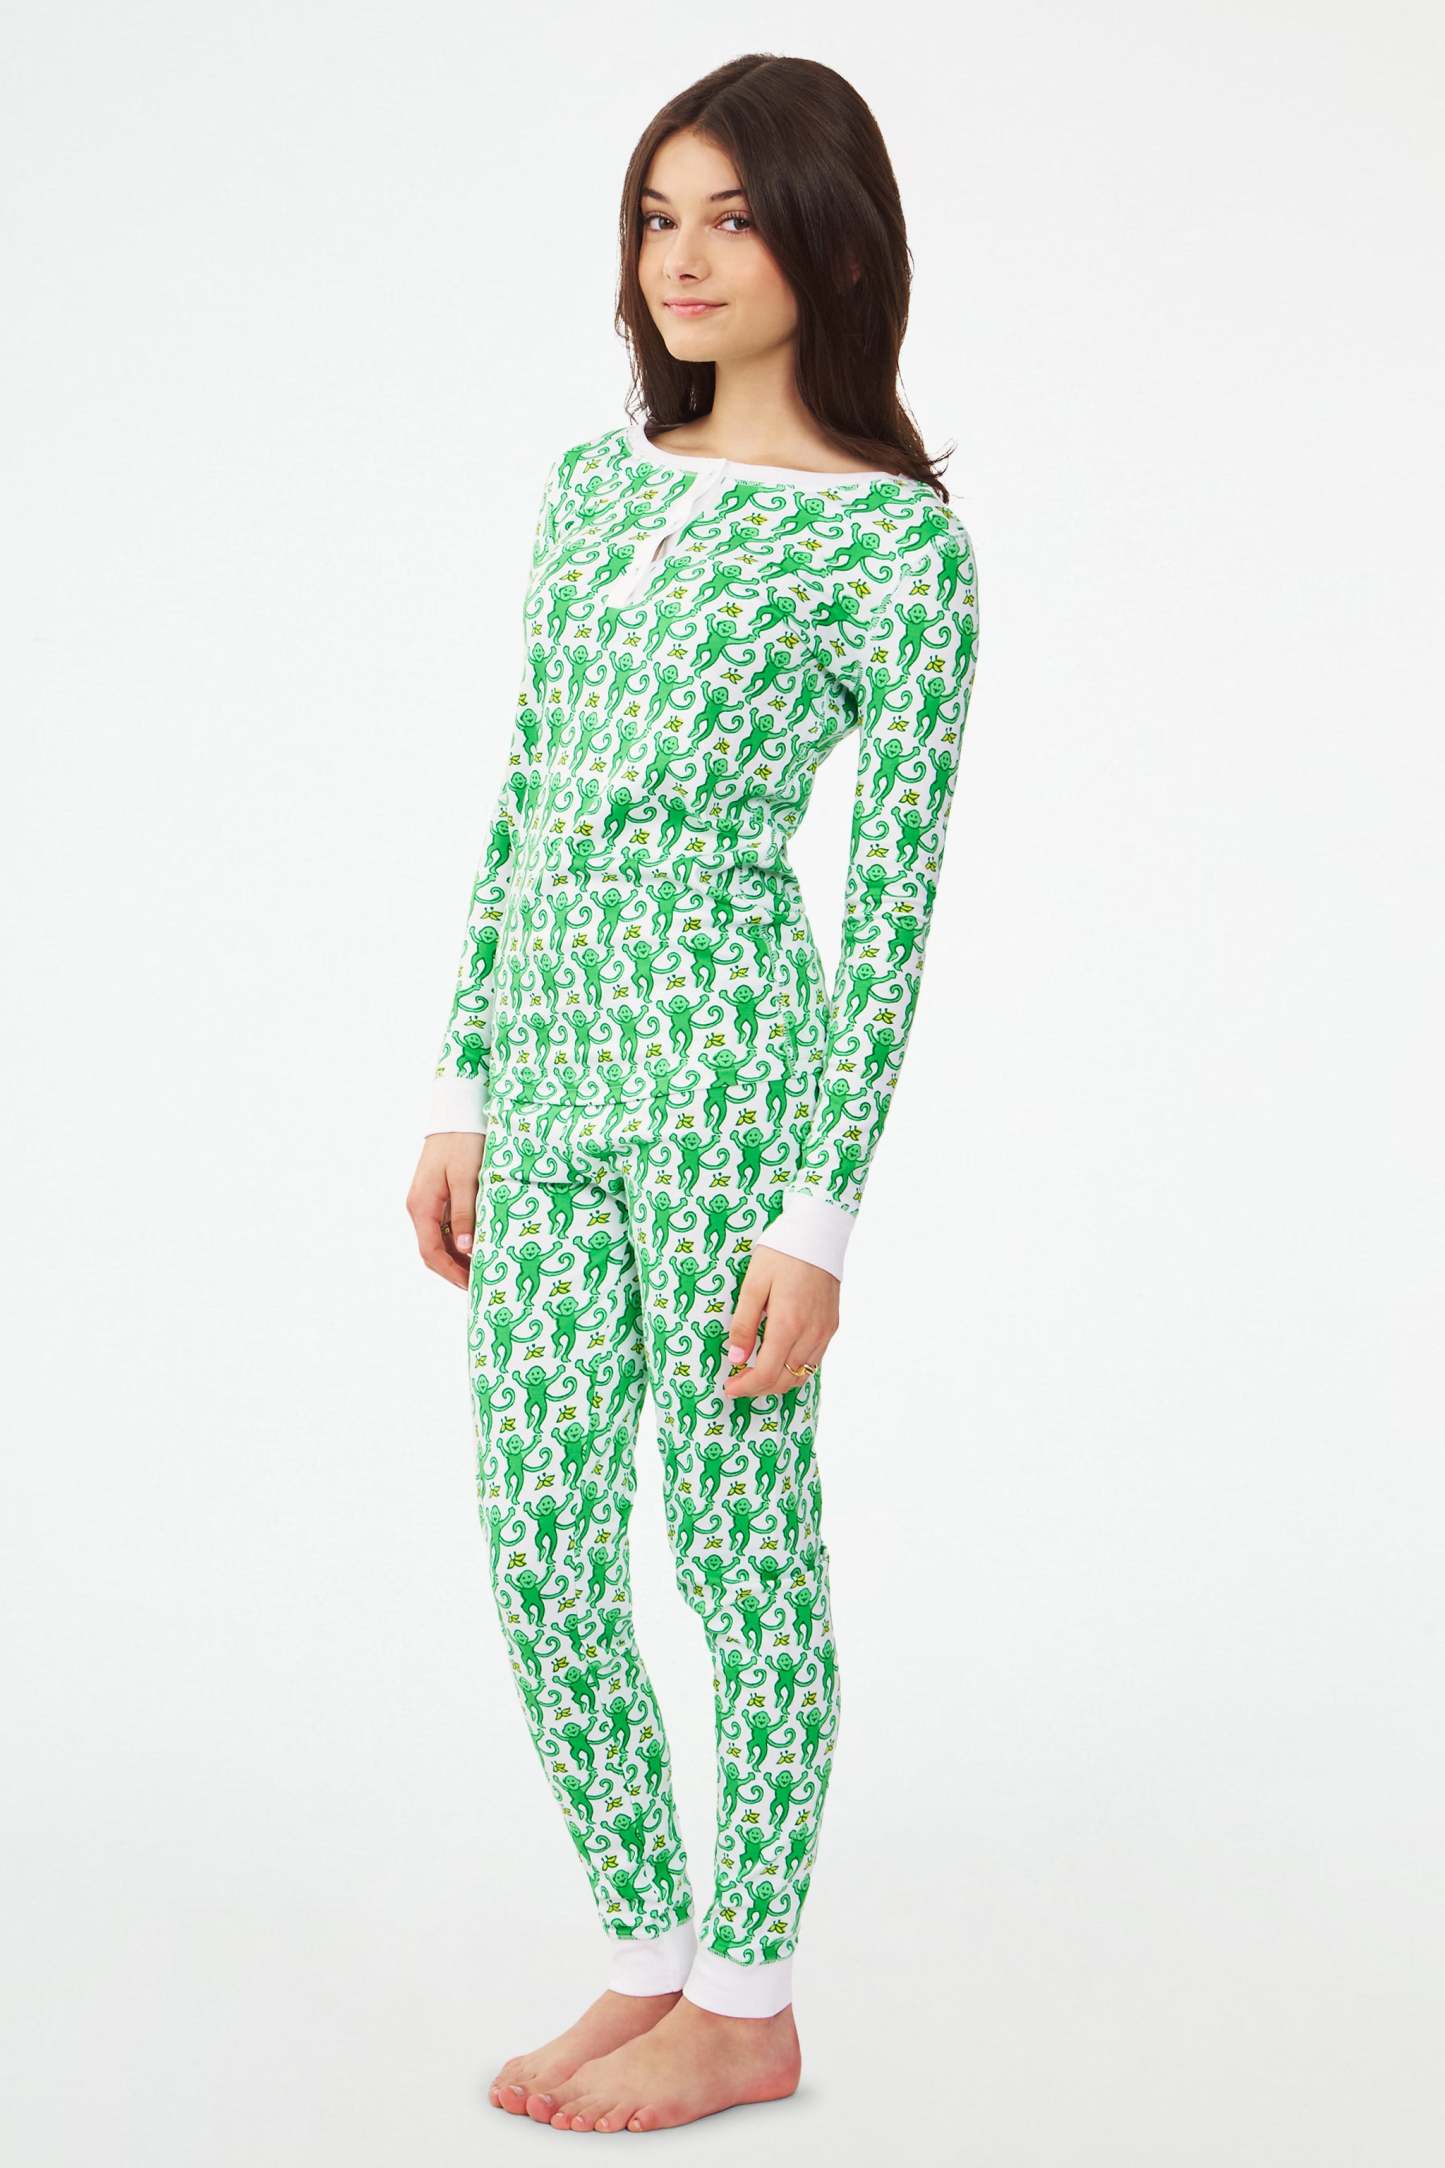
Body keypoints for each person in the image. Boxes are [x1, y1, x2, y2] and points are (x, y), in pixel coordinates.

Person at [405, 51, 981, 2137]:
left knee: (738, 1548)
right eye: (660, 217)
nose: (686, 257)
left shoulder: (897, 549)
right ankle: (646, 1948)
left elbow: (890, 908)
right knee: (540, 1538)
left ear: (827, 235)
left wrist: (816, 1216)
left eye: (731, 216)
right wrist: (464, 1080)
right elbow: (530, 792)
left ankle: (748, 1999)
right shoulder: (594, 487)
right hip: (549, 1078)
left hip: (733, 1087)